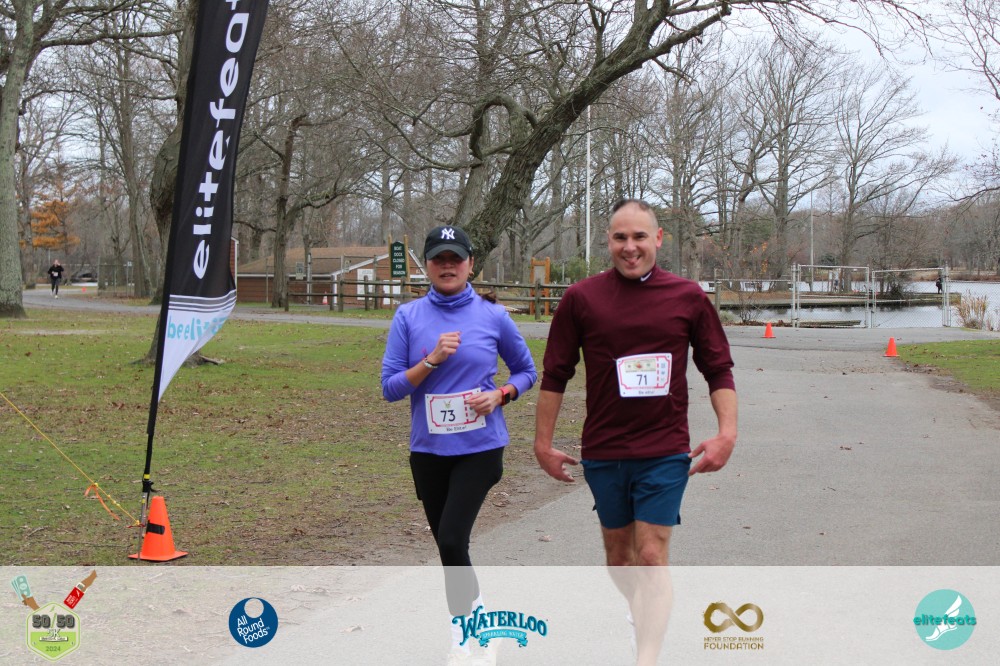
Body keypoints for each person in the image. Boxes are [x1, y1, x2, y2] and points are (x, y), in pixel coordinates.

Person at [533, 199, 737, 665]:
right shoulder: (581, 299)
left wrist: (727, 433)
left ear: (658, 239)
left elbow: (718, 368)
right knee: (621, 560)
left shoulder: (687, 297)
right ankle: (641, 613)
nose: (630, 247)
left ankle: (647, 654)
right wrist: (542, 444)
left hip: (664, 450)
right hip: (604, 451)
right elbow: (555, 375)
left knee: (650, 555)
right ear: (608, 241)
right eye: (621, 237)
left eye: (639, 236)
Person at [381, 225, 536, 664]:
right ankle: (482, 620)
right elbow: (390, 388)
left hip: (480, 449)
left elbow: (527, 371)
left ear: (470, 265)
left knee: (451, 539)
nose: (447, 266)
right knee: (452, 549)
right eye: (439, 259)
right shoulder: (408, 317)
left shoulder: (493, 316)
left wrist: (501, 395)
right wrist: (430, 361)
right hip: (429, 452)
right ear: (428, 266)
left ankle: (461, 638)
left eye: (456, 259)